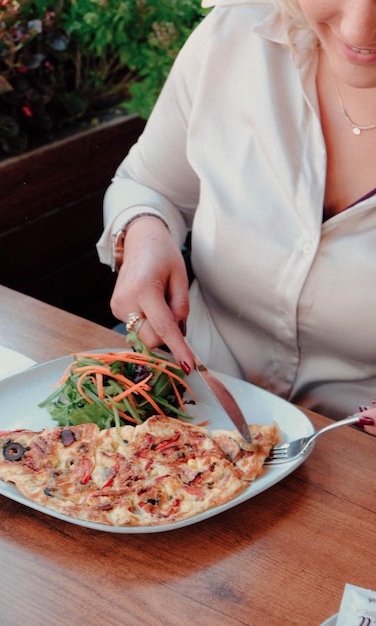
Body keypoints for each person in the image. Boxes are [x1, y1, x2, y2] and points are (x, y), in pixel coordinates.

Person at [97, 0, 376, 435]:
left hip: (355, 465)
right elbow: (150, 185)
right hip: (185, 415)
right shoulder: (234, 37)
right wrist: (143, 233)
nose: (359, 30)